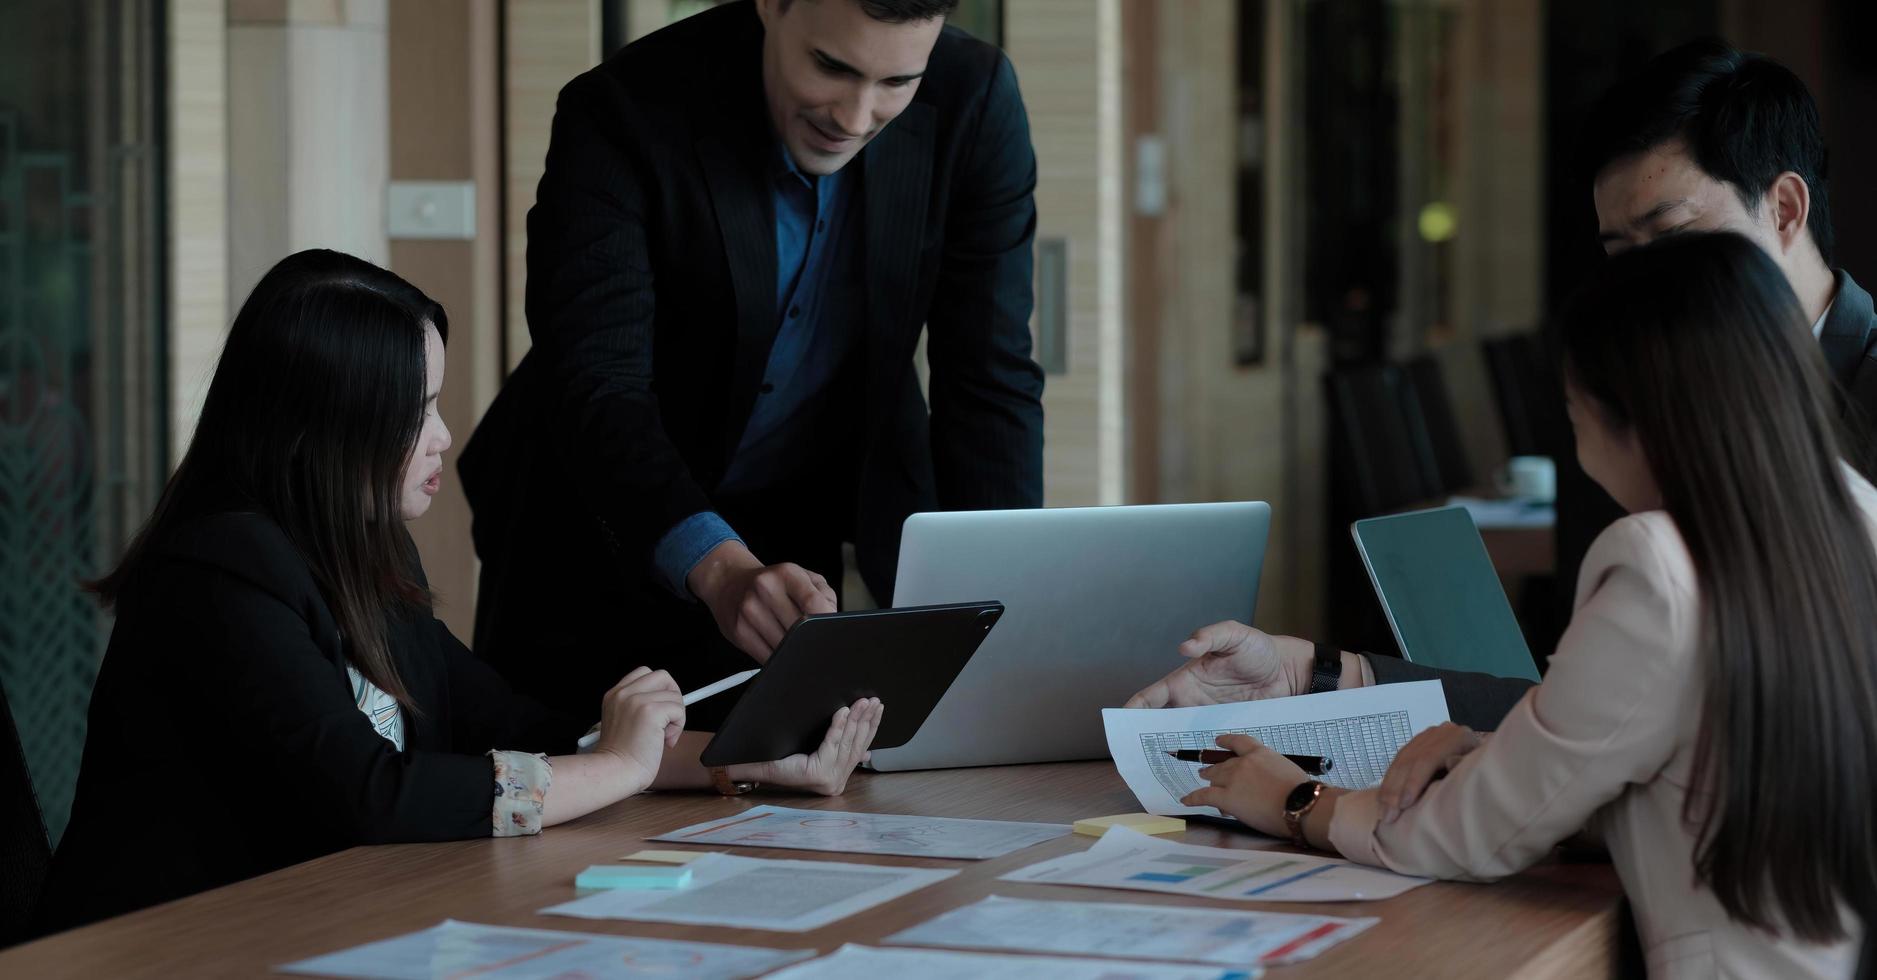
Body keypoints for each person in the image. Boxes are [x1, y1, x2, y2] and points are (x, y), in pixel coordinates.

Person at [35, 251, 883, 934]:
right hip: (160, 949)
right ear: (323, 427)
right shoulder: (220, 571)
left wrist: (752, 763)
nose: (443, 437)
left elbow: (518, 729)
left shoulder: (363, 548)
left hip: (318, 929)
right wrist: (615, 765)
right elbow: (370, 793)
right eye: (416, 410)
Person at [1147, 233, 1876, 977]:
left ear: (1635, 419)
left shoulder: (1658, 564)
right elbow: (1707, 773)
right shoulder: (1855, 518)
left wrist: (1296, 800)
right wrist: (1496, 757)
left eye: (1574, 415)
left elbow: (1472, 836)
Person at [459, 0, 1045, 724]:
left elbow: (988, 376)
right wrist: (718, 565)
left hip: (789, 532)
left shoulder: (972, 97)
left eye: (896, 82)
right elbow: (596, 382)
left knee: (776, 784)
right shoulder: (626, 110)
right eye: (830, 67)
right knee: (564, 778)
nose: (856, 118)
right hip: (602, 518)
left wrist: (1005, 601)